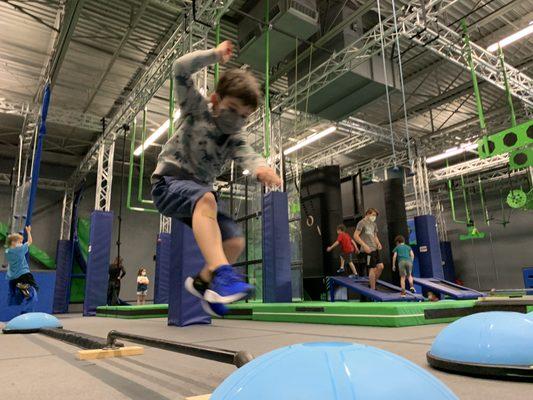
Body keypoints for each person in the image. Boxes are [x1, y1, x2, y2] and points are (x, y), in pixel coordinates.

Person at [151, 40, 281, 316]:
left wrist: (262, 169)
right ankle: (223, 274)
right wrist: (214, 55)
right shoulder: (196, 109)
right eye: (232, 109)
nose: (236, 119)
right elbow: (179, 69)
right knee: (207, 199)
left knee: (234, 240)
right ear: (215, 100)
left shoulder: (234, 137)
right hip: (168, 182)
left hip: (196, 194)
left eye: (244, 116)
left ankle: (203, 285)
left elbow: (248, 154)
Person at [353, 208, 384, 290]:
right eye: (373, 215)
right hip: (367, 250)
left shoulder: (374, 224)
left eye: (375, 216)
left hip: (375, 248)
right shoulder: (361, 223)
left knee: (380, 267)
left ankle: (372, 283)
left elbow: (375, 236)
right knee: (372, 268)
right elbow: (355, 236)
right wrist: (364, 245)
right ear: (367, 214)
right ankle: (373, 289)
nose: (374, 217)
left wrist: (378, 243)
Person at [5, 226, 38, 301]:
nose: (21, 243)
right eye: (20, 242)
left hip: (12, 277)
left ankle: (23, 290)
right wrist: (28, 231)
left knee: (15, 295)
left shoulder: (7, 251)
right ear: (13, 242)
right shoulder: (20, 250)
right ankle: (24, 286)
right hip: (24, 274)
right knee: (35, 287)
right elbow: (29, 241)